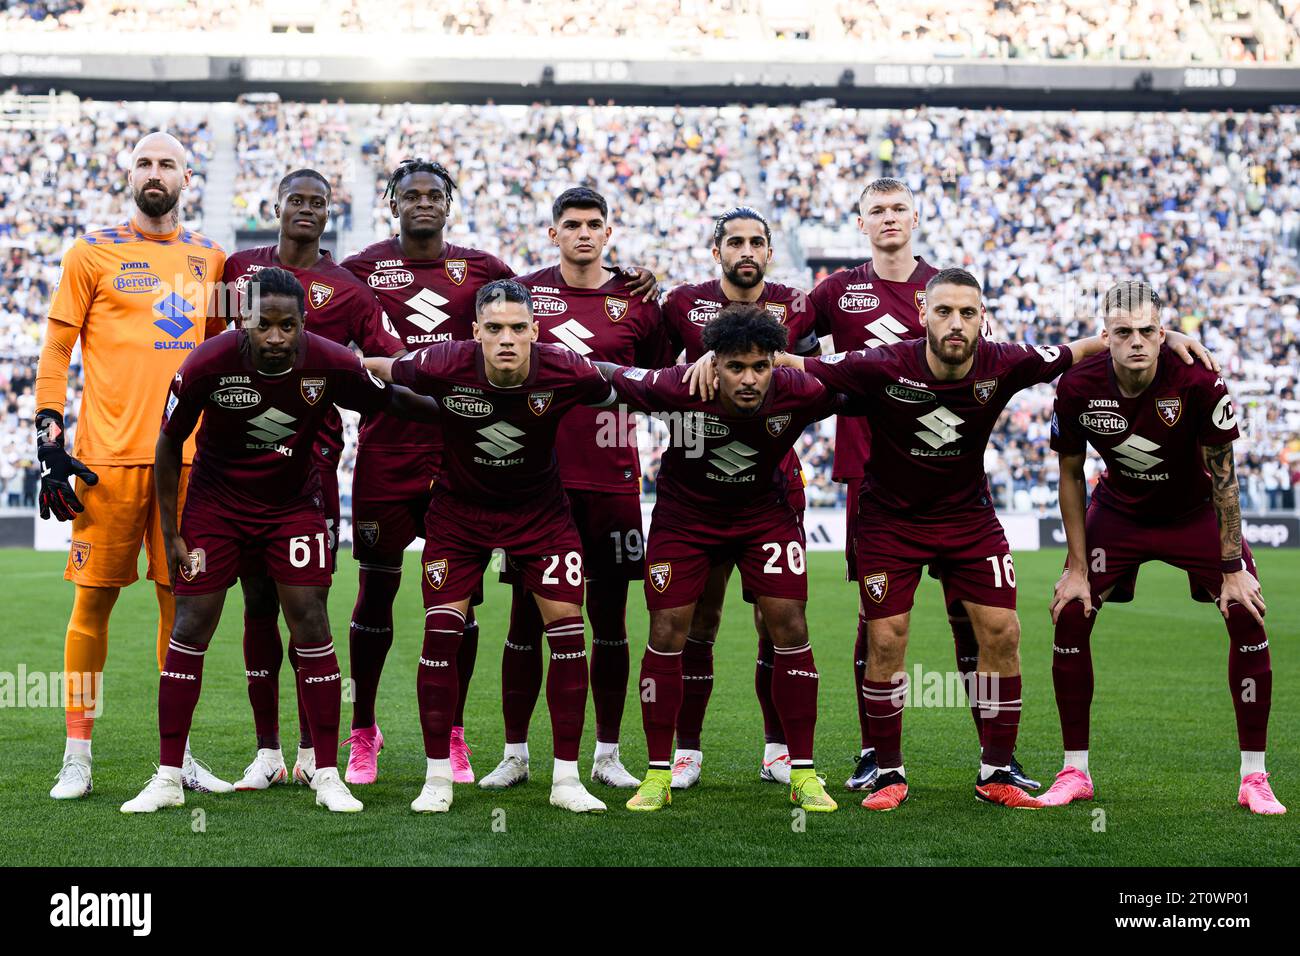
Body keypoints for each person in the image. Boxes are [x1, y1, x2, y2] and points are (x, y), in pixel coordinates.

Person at [778, 268, 1215, 811]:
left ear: (982, 317)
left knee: (1003, 632)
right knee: (886, 639)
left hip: (969, 520)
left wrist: (1167, 337)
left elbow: (1083, 347)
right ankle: (887, 771)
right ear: (923, 315)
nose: (956, 323)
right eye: (945, 312)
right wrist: (713, 359)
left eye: (967, 313)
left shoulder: (1005, 361)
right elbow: (792, 362)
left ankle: (997, 770)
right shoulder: (881, 362)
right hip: (891, 522)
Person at [341, 161, 656, 786]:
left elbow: (633, 370)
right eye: (412, 195)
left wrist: (635, 279)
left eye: (436, 194)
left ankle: (463, 738)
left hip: (486, 460)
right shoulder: (356, 270)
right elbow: (330, 342)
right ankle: (362, 733)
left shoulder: (490, 272)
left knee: (478, 607)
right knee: (378, 594)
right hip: (390, 453)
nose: (424, 203)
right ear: (392, 203)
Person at [120, 268, 437, 814]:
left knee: (311, 621)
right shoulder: (205, 363)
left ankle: (327, 774)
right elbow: (169, 443)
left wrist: (460, 410)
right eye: (263, 324)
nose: (274, 337)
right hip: (216, 508)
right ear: (242, 319)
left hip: (293, 508)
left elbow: (394, 404)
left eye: (286, 325)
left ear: (304, 323)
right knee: (192, 624)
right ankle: (168, 777)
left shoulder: (331, 361)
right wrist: (171, 533)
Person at [363, 278, 620, 815]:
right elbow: (385, 368)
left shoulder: (564, 367)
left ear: (536, 330)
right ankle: (437, 779)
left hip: (542, 516)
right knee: (440, 638)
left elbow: (622, 385)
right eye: (495, 329)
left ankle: (568, 780)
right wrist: (336, 360)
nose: (507, 339)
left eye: (518, 328)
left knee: (569, 634)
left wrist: (692, 380)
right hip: (458, 517)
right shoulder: (443, 362)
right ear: (475, 331)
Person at [807, 177, 1021, 792]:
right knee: (876, 621)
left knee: (973, 618)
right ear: (862, 222)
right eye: (877, 210)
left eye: (899, 208)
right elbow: (789, 340)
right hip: (868, 470)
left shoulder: (943, 292)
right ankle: (877, 753)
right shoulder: (836, 290)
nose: (889, 218)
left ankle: (996, 753)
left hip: (947, 471)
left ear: (917, 217)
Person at [36, 131, 230, 800]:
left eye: (167, 163)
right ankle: (77, 757)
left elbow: (222, 364)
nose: (155, 172)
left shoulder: (213, 260)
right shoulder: (91, 252)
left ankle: (174, 760)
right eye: (145, 162)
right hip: (105, 465)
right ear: (130, 173)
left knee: (181, 612)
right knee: (92, 604)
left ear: (186, 177)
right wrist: (48, 437)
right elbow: (57, 351)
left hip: (189, 467)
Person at [1042, 281, 1284, 814]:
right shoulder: (1077, 385)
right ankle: (1074, 771)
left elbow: (1225, 475)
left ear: (1162, 332)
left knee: (1247, 611)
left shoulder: (1198, 378)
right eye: (1123, 332)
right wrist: (1078, 568)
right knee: (1071, 612)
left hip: (1195, 512)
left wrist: (1231, 567)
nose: (1136, 342)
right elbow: (1070, 474)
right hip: (1119, 513)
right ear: (1104, 337)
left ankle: (1254, 778)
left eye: (1148, 331)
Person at [601, 304, 844, 813]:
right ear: (714, 364)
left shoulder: (799, 391)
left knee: (790, 626)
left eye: (760, 366)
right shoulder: (678, 388)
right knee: (669, 629)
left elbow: (869, 378)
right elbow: (606, 374)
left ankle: (802, 772)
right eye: (736, 367)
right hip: (686, 520)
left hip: (764, 516)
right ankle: (658, 772)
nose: (750, 379)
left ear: (776, 362)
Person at [219, 168, 405, 792]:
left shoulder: (349, 290)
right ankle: (266, 750)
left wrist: (353, 369)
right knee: (255, 603)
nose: (306, 210)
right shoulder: (236, 270)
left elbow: (388, 364)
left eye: (317, 203)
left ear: (330, 213)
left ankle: (309, 749)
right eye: (296, 200)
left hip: (312, 468)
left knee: (308, 608)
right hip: (240, 465)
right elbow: (214, 345)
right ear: (275, 205)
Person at [484, 187, 665, 792]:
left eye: (594, 224)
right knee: (523, 620)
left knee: (609, 621)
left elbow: (661, 381)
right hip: (536, 484)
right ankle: (515, 753)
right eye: (572, 225)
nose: (584, 234)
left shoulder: (638, 303)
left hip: (613, 482)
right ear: (553, 233)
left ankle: (607, 754)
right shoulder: (524, 294)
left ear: (608, 233)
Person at [658, 206, 820, 789]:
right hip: (694, 478)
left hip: (771, 479)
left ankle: (779, 750)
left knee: (776, 620)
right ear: (716, 249)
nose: (745, 251)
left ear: (770, 251)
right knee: (698, 620)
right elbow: (650, 371)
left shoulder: (800, 303)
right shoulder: (679, 303)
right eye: (735, 242)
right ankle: (686, 751)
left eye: (756, 242)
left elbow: (826, 372)